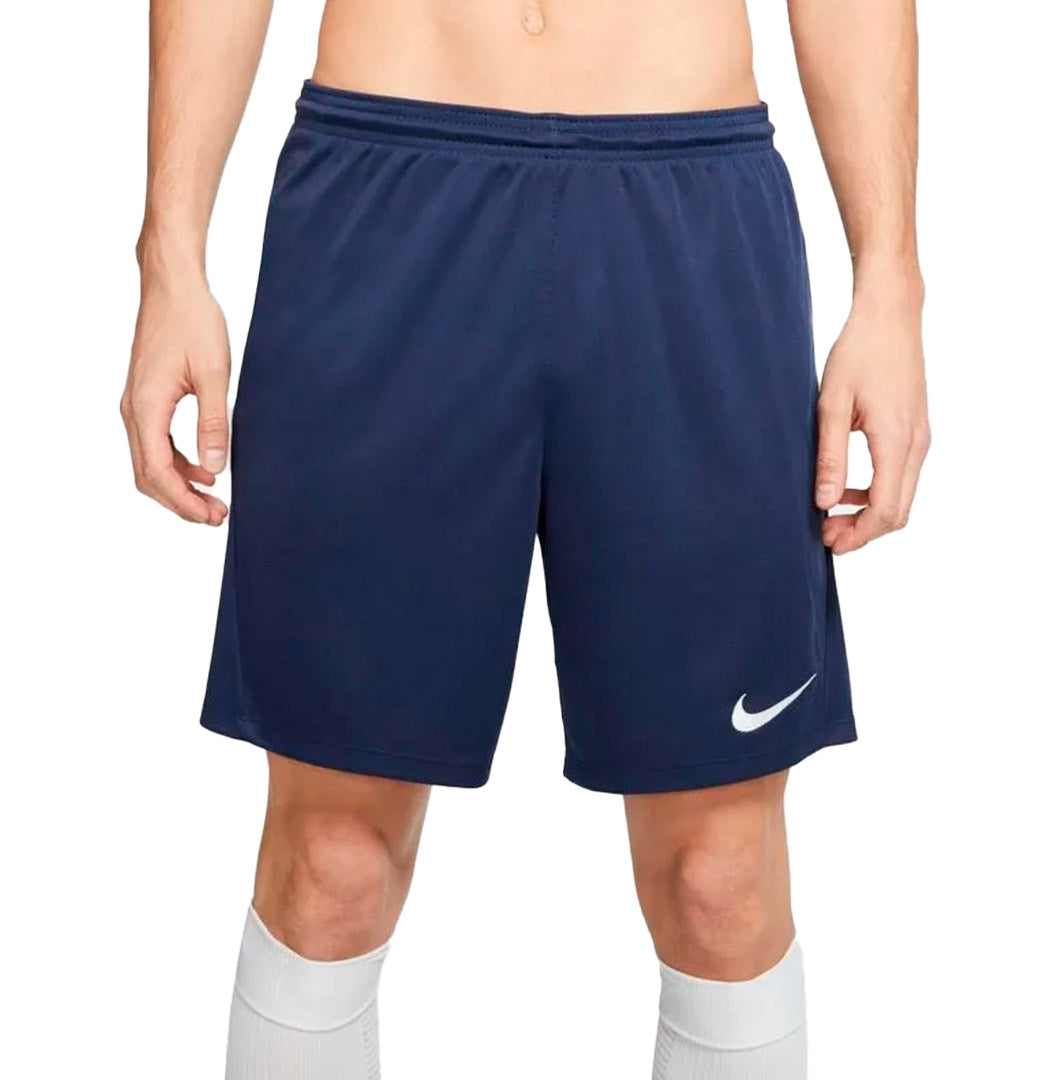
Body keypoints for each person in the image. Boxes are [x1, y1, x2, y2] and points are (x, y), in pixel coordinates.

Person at [120, 1, 929, 1076]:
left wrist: (891, 282)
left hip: (686, 199)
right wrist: (170, 256)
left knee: (720, 878)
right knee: (331, 864)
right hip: (387, 180)